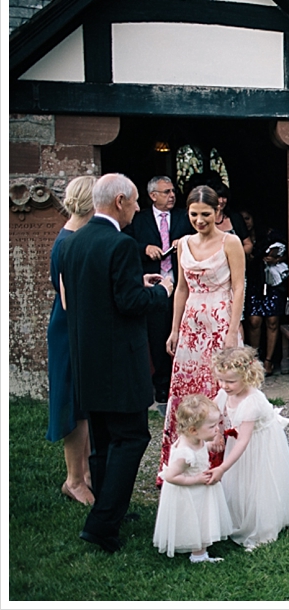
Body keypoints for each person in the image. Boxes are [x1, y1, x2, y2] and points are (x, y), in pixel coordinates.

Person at [59, 173, 174, 553]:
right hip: (119, 365)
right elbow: (129, 304)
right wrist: (160, 292)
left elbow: (95, 294)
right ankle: (102, 523)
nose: (139, 208)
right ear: (121, 200)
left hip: (87, 361)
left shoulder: (74, 241)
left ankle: (114, 512)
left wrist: (135, 280)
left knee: (104, 443)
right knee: (132, 437)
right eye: (137, 201)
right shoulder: (121, 244)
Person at [159, 185, 245, 478]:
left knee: (220, 387)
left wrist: (233, 331)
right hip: (191, 323)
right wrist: (174, 329)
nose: (199, 220)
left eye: (205, 214)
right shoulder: (182, 243)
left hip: (220, 317)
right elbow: (181, 288)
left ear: (217, 211)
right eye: (194, 214)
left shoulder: (230, 242)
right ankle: (183, 461)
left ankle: (221, 463)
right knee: (188, 388)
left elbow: (238, 286)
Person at [209, 346, 289, 550]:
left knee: (260, 483)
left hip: (261, 443)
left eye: (230, 381)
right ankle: (237, 518)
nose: (224, 386)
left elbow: (243, 441)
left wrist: (222, 467)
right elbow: (213, 413)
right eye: (221, 380)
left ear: (246, 376)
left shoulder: (252, 402)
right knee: (239, 482)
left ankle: (262, 527)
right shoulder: (224, 393)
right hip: (240, 441)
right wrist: (217, 432)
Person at [46, 175, 97, 505]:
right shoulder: (69, 242)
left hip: (77, 327)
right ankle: (74, 480)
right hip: (70, 329)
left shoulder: (75, 234)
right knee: (73, 405)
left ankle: (87, 474)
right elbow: (71, 300)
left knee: (84, 403)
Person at [123, 175, 194, 404]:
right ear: (153, 195)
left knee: (184, 334)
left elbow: (201, 237)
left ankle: (185, 382)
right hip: (153, 285)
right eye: (166, 192)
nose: (172, 195)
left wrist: (184, 243)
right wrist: (144, 248)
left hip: (182, 284)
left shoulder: (185, 216)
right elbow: (124, 242)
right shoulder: (139, 219)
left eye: (173, 191)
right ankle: (162, 386)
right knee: (157, 335)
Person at [152, 394, 232, 562]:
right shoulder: (185, 453)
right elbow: (171, 476)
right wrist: (195, 480)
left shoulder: (196, 439)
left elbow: (201, 449)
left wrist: (210, 446)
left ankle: (201, 548)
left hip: (198, 489)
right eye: (211, 427)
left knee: (203, 517)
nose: (217, 429)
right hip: (189, 492)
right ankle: (198, 555)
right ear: (193, 430)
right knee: (195, 519)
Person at [245, 228, 289, 376]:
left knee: (273, 321)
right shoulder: (246, 240)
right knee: (254, 321)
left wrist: (277, 259)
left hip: (273, 284)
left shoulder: (273, 236)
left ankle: (269, 361)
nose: (247, 222)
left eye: (248, 218)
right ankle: (255, 360)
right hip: (255, 282)